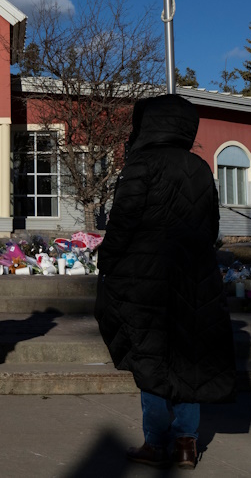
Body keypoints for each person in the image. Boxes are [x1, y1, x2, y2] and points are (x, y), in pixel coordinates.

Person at [95, 93, 235, 470]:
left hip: (146, 278)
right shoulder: (200, 168)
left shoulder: (141, 165)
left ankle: (156, 444)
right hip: (194, 275)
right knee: (189, 356)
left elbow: (123, 221)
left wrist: (106, 261)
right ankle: (187, 444)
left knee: (151, 356)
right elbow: (212, 227)